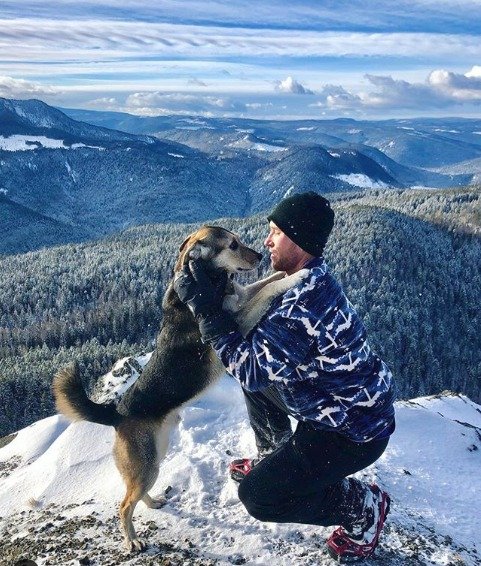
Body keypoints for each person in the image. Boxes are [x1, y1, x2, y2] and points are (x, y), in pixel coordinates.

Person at [174, 191, 395, 563]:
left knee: (260, 497)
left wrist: (208, 315)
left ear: (301, 239)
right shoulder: (303, 279)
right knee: (256, 377)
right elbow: (258, 358)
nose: (267, 240)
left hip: (350, 432)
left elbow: (250, 367)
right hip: (330, 406)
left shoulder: (304, 304)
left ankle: (362, 508)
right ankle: (275, 456)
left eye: (276, 232)